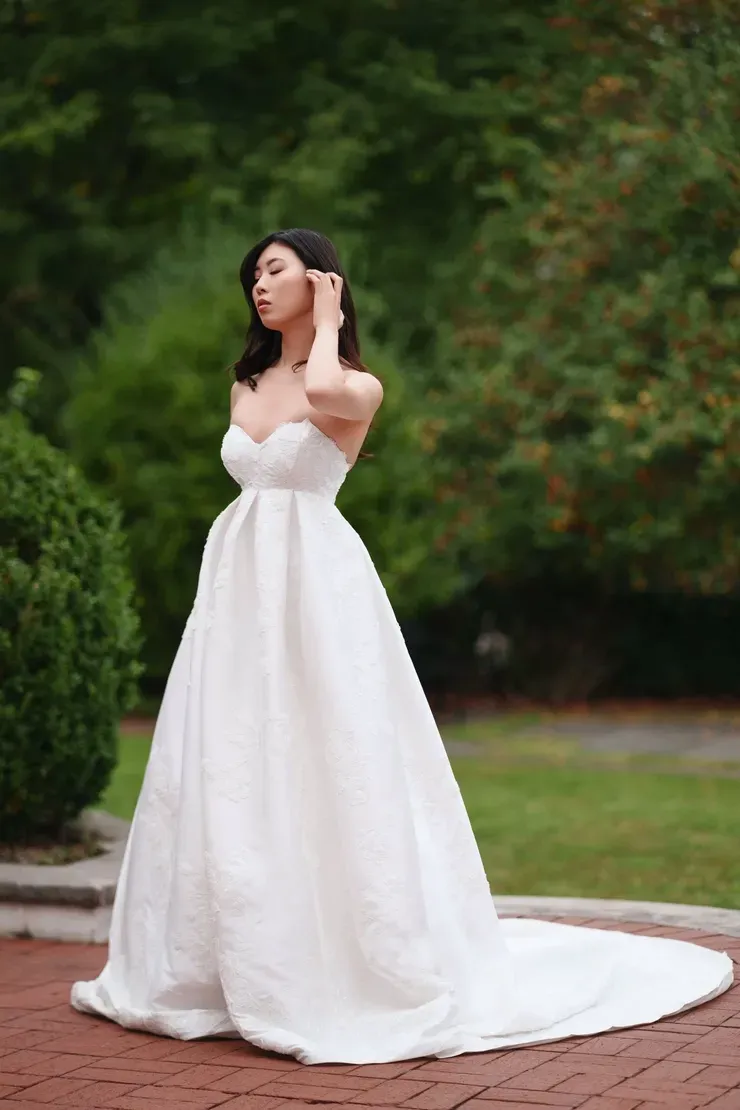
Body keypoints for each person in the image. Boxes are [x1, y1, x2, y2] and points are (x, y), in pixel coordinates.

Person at [71, 228, 732, 1065]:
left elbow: (322, 391)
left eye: (275, 271)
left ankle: (350, 954)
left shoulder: (356, 385)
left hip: (318, 583)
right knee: (234, 753)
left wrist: (333, 320)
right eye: (254, 278)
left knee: (331, 745)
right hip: (239, 581)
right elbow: (262, 437)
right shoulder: (244, 380)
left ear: (320, 280)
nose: (258, 288)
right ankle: (223, 956)